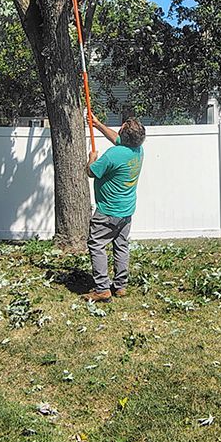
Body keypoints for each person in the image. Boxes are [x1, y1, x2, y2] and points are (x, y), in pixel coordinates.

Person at [84, 113, 146, 302]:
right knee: (121, 245)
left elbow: (91, 172)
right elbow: (116, 138)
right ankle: (120, 286)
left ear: (124, 134)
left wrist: (92, 158)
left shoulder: (113, 154)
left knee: (96, 244)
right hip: (126, 210)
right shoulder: (138, 150)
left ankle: (102, 288)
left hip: (108, 211)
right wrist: (97, 124)